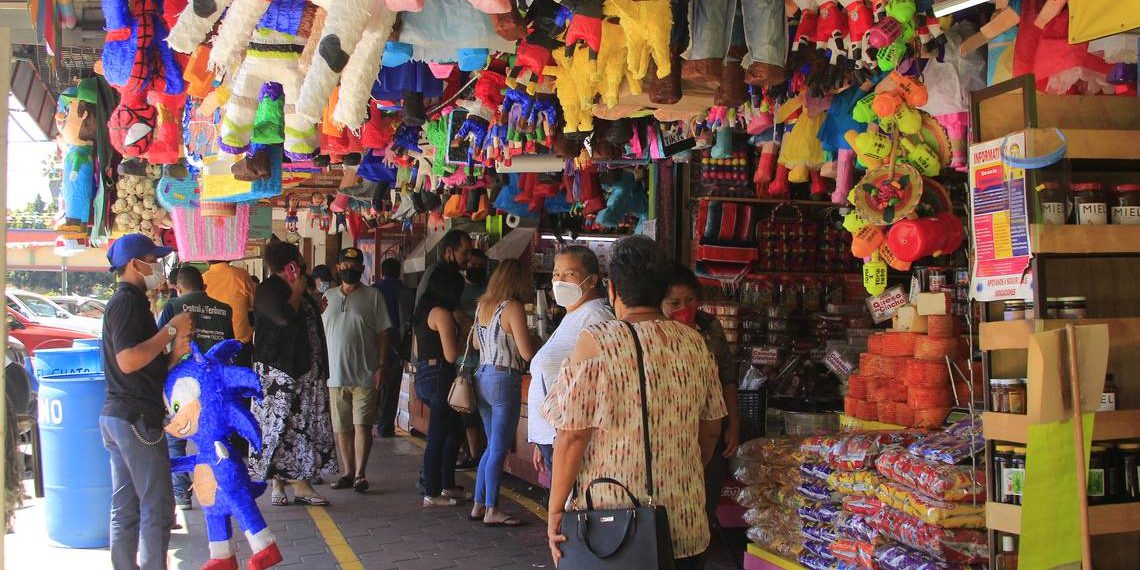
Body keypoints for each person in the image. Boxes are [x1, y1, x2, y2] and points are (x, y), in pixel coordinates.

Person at [542, 236, 727, 570]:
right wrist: (678, 469)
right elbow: (711, 428)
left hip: (613, 526)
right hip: (684, 522)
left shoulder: (598, 341)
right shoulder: (694, 342)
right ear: (663, 290)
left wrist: (555, 511)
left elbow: (571, 436)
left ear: (612, 290)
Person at [100, 233, 193, 570]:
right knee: (157, 504)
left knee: (126, 506)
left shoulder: (132, 302)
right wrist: (169, 330)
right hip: (135, 419)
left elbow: (142, 367)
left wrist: (173, 355)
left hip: (119, 416)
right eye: (153, 260)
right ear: (134, 265)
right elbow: (127, 361)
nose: (158, 267)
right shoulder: (126, 302)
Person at [248, 241, 338, 507]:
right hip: (280, 373)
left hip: (304, 372)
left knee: (301, 428)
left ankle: (300, 485)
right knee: (280, 428)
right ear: (289, 262)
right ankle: (282, 483)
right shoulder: (268, 289)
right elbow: (284, 318)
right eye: (298, 259)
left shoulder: (298, 288)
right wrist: (298, 291)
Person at [662, 265, 742, 525]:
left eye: (690, 300)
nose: (683, 308)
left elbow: (727, 377)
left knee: (704, 505)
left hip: (711, 425)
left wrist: (733, 422)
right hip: (670, 432)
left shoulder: (709, 326)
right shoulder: (654, 331)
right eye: (674, 303)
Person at [527, 246, 612, 477]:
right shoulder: (573, 315)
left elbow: (599, 386)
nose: (559, 280)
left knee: (565, 510)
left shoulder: (596, 318)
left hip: (568, 439)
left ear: (592, 280)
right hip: (552, 437)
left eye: (569, 274)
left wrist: (560, 438)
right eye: (556, 274)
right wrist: (540, 436)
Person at [157, 265, 235, 511]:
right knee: (217, 439)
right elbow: (229, 346)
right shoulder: (224, 309)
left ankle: (182, 495)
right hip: (214, 384)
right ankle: (225, 489)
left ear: (178, 288)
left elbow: (161, 341)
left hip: (181, 383)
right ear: (204, 286)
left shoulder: (173, 307)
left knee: (176, 439)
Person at [468, 259, 538, 527]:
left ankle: (478, 503)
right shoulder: (513, 307)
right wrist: (532, 337)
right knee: (498, 448)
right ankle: (492, 509)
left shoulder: (482, 305)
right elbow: (526, 353)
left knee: (491, 445)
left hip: (482, 376)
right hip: (503, 378)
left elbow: (475, 343)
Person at [322, 248, 392, 493]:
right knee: (342, 427)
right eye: (344, 265)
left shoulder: (374, 297)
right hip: (334, 376)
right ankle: (347, 472)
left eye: (353, 265)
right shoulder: (327, 297)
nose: (348, 269)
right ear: (337, 267)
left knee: (362, 425)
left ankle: (361, 473)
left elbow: (384, 334)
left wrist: (381, 366)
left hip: (366, 373)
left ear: (362, 268)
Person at [413, 266, 469, 507]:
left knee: (452, 431)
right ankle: (432, 491)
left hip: (424, 374)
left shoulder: (422, 312)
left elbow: (416, 351)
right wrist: (463, 332)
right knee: (438, 437)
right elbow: (450, 355)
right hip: (440, 377)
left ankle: (447, 485)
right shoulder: (442, 314)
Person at [203, 260, 256, 366]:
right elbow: (252, 305)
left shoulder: (202, 278)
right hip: (239, 339)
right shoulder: (241, 275)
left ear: (206, 260)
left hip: (212, 342)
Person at [373, 257, 404, 438]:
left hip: (377, 339)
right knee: (392, 385)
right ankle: (386, 425)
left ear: (382, 271)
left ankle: (369, 418)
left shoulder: (375, 290)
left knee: (375, 379)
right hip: (397, 340)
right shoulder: (403, 290)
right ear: (399, 271)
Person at [414, 229, 473, 307]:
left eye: (470, 252)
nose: (469, 257)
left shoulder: (447, 271)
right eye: (465, 253)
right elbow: (455, 312)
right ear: (449, 252)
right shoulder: (438, 275)